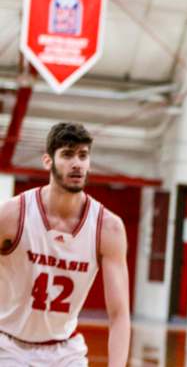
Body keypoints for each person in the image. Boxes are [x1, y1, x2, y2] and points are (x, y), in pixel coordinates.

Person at [0, 122, 130, 367]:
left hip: (64, 350)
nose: (77, 163)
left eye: (83, 155)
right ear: (48, 161)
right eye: (68, 154)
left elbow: (119, 314)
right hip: (8, 346)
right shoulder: (12, 215)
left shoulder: (108, 228)